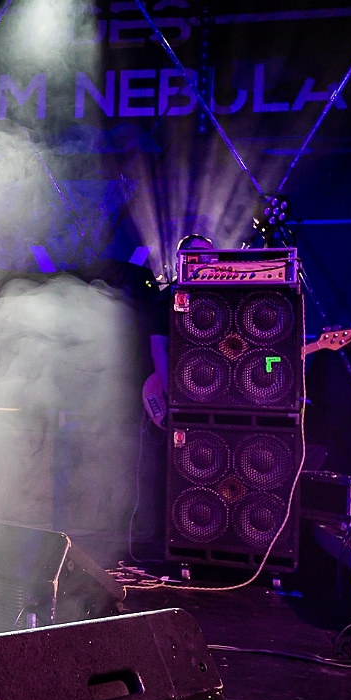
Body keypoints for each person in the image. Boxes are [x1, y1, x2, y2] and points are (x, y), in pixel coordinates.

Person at [131, 234, 214, 559]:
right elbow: (159, 350)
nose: (205, 262)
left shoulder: (223, 301)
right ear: (181, 261)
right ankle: (164, 540)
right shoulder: (167, 299)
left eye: (210, 256)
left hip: (209, 393)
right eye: (196, 256)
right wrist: (172, 393)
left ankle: (204, 535)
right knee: (169, 470)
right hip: (176, 393)